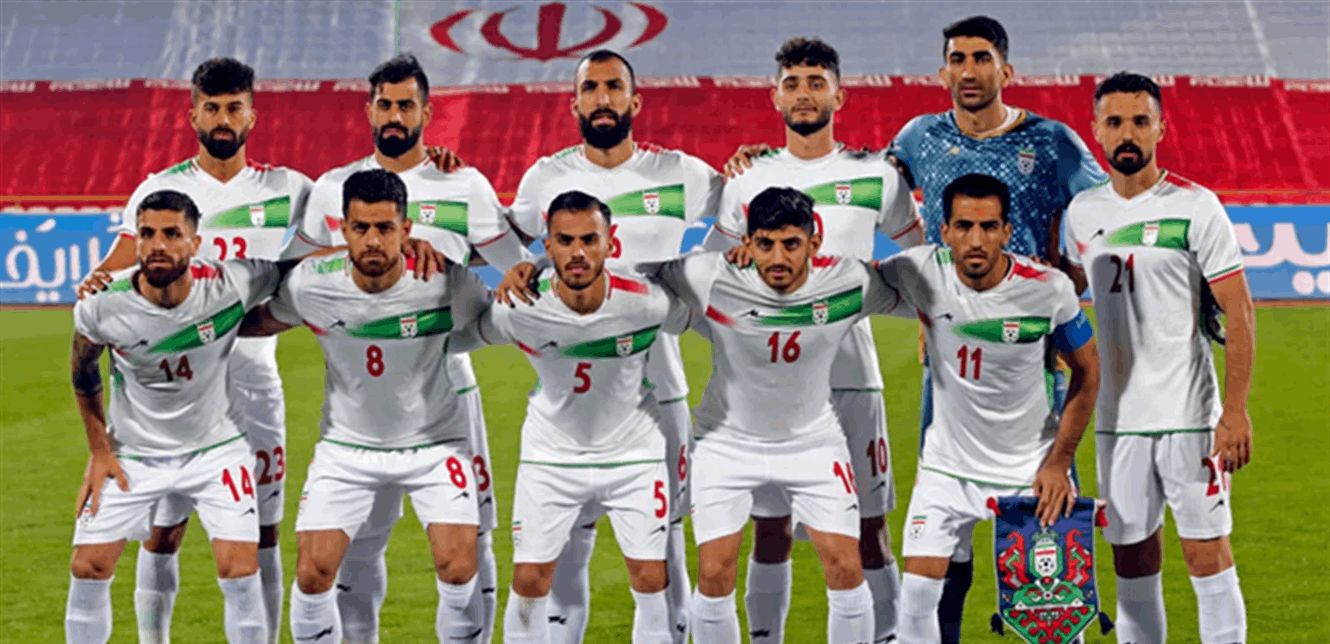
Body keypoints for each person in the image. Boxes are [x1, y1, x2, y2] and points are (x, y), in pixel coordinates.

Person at [723, 19, 1106, 638]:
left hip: (1034, 348)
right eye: (959, 58)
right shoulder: (917, 137)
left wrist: (1080, 269)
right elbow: (867, 208)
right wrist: (759, 162)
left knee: (1045, 539)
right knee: (943, 530)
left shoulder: (1052, 140)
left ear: (1006, 70)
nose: (970, 70)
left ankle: (1050, 614)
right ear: (943, 71)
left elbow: (1105, 207)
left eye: (982, 58)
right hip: (948, 359)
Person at [288, 54, 529, 643]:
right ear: (368, 110)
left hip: (446, 381)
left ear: (427, 111)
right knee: (358, 543)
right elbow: (294, 271)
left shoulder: (463, 183)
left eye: (406, 105)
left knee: (472, 537)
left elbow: (517, 270)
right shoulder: (333, 188)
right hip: (362, 389)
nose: (395, 115)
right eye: (385, 104)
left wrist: (452, 260)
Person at [75, 57, 313, 643]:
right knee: (163, 533)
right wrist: (97, 284)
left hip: (253, 385)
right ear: (193, 116)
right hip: (171, 391)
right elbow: (119, 267)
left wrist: (431, 166)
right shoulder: (162, 189)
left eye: (234, 108)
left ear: (252, 115)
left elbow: (324, 253)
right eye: (212, 108)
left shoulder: (290, 188)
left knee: (261, 533)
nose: (223, 119)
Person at [700, 37, 921, 643]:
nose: (804, 94)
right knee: (769, 531)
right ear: (775, 96)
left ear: (839, 95)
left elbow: (922, 260)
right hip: (765, 388)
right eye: (792, 83)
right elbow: (713, 270)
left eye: (816, 82)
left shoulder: (876, 175)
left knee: (867, 531)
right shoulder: (746, 179)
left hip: (851, 378)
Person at [506, 48, 722, 643]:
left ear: (635, 99)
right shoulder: (545, 178)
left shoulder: (681, 172)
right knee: (566, 545)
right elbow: (507, 246)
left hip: (660, 391)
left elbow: (744, 216)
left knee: (666, 540)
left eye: (613, 87)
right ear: (573, 103)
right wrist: (524, 269)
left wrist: (751, 164)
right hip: (575, 389)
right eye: (591, 88)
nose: (603, 98)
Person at [638, 187, 917, 644]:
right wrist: (538, 268)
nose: (778, 258)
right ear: (747, 242)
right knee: (714, 571)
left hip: (814, 443)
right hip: (725, 444)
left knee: (845, 565)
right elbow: (633, 272)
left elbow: (922, 291)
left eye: (791, 244)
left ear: (814, 243)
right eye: (765, 244)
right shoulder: (709, 274)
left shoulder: (849, 282)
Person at [242, 169, 492, 643]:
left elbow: (493, 322)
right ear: (342, 229)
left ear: (406, 229)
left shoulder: (446, 282)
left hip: (435, 444)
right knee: (313, 573)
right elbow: (259, 322)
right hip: (346, 447)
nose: (373, 240)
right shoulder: (310, 285)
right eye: (360, 228)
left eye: (385, 228)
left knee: (459, 566)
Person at [1064, 72, 1254, 644]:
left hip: (1188, 415)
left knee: (1206, 554)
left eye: (1140, 121)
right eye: (1115, 122)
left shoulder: (1195, 206)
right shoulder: (1081, 213)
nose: (1128, 133)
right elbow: (1063, 299)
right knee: (1131, 560)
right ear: (1097, 131)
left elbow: (1240, 311)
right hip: (1116, 420)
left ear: (1160, 129)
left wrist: (1234, 412)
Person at [878, 173, 1099, 642]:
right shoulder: (919, 271)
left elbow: (1088, 371)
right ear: (944, 231)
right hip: (947, 468)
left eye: (988, 226)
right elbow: (838, 281)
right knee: (915, 596)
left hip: (1030, 468)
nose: (976, 240)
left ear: (1006, 231)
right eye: (963, 226)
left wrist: (1059, 461)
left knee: (1057, 617)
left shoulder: (1049, 289)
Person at [462, 191, 687, 643]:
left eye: (589, 239)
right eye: (565, 241)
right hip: (551, 456)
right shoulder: (519, 307)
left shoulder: (647, 302)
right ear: (548, 246)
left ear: (610, 243)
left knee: (651, 577)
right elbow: (466, 335)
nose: (578, 252)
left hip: (634, 454)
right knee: (529, 580)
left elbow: (701, 314)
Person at [67, 189, 285, 643]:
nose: (157, 245)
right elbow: (83, 370)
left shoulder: (231, 283)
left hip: (216, 450)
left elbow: (299, 271)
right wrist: (99, 450)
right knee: (88, 566)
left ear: (195, 243)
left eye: (171, 234)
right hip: (134, 453)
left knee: (239, 568)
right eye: (147, 234)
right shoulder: (101, 304)